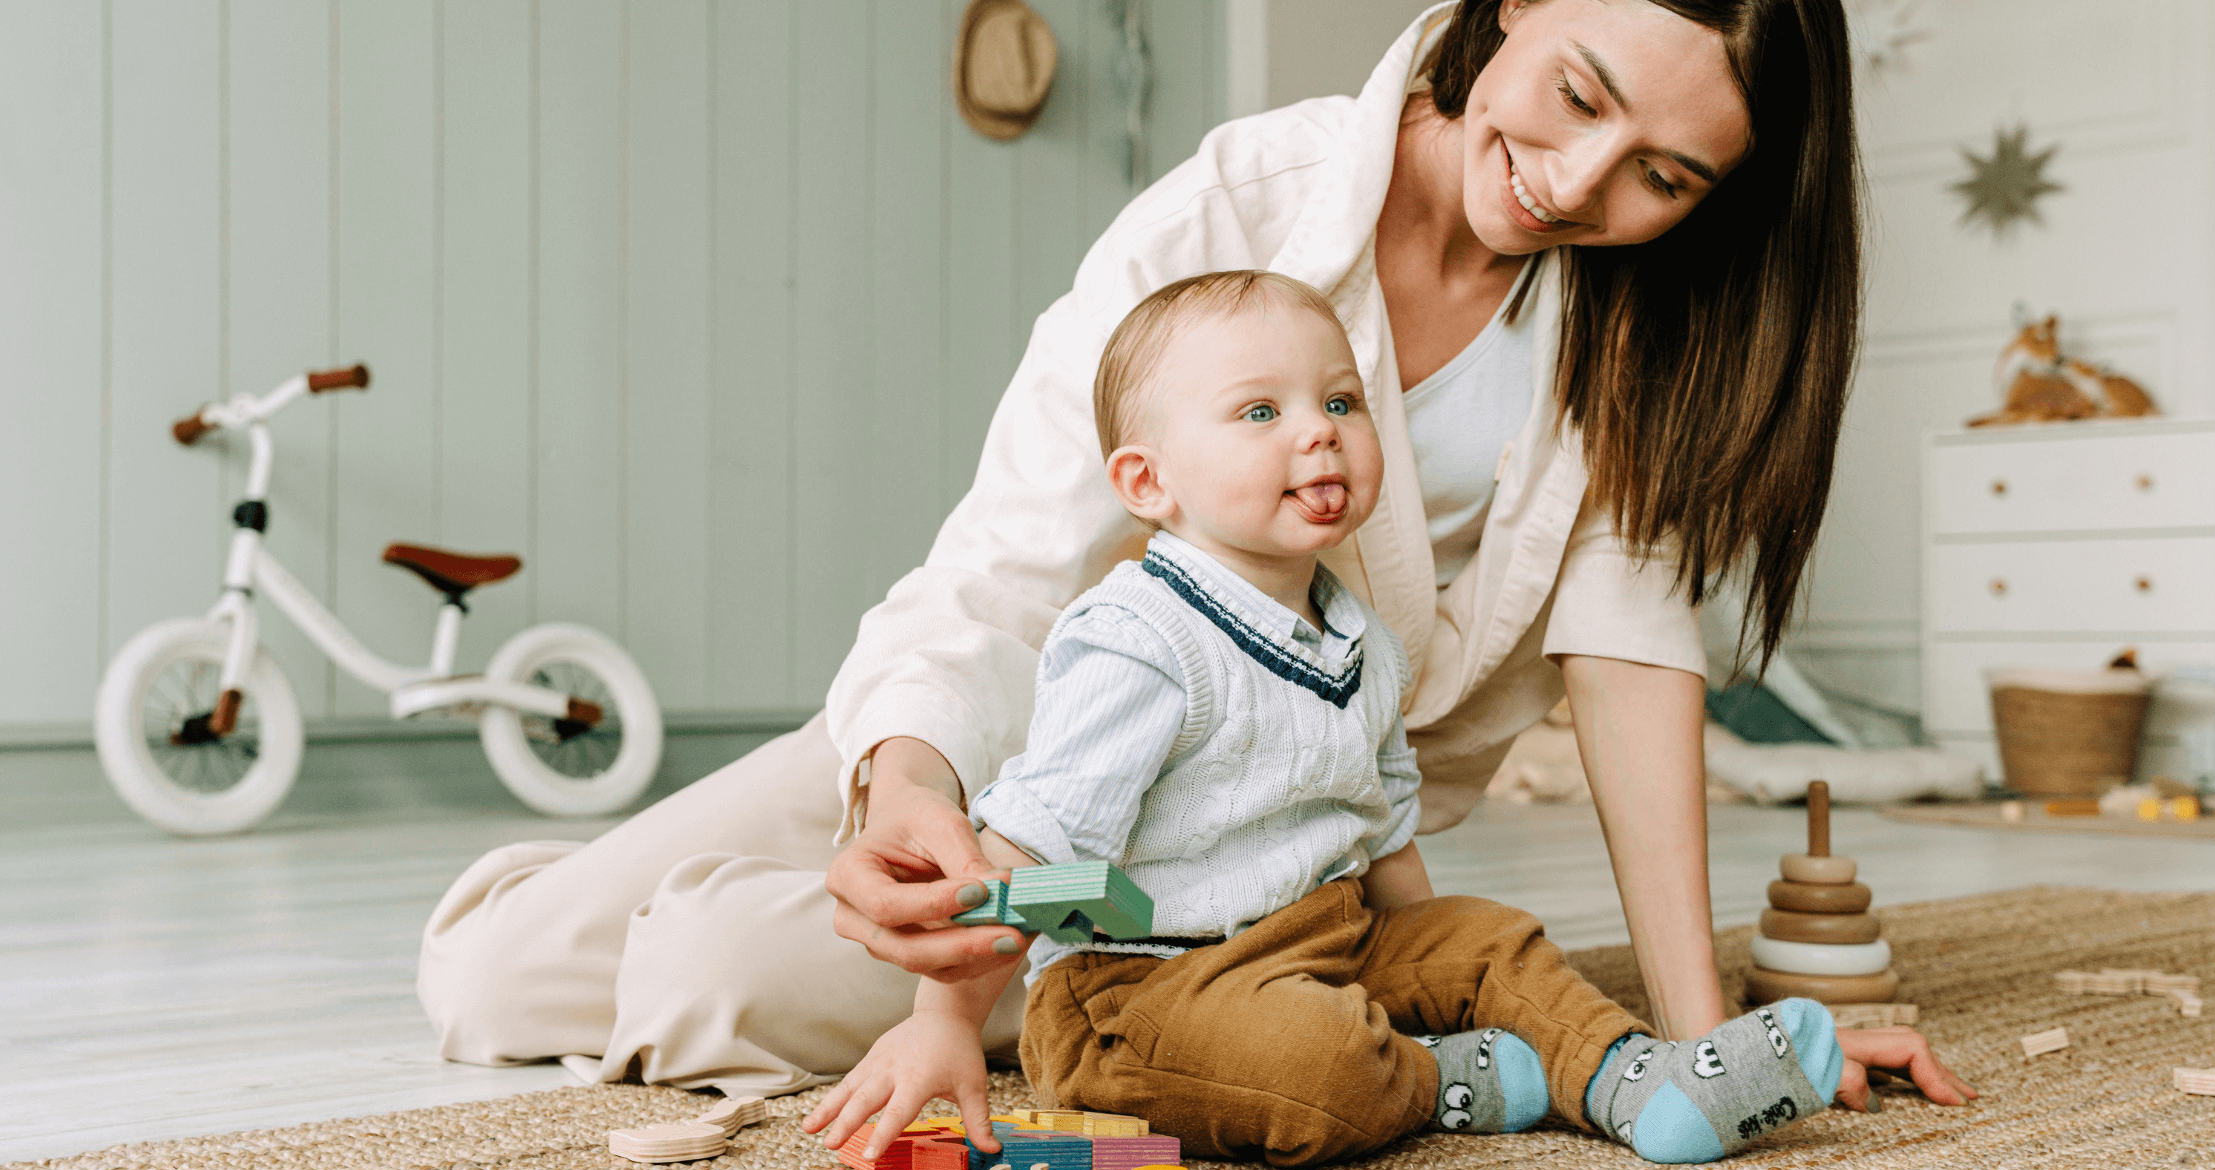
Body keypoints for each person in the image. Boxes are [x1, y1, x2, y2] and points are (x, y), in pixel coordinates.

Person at [418, 0, 1972, 1111]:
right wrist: (904, 788)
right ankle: (761, 880)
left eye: (1662, 175)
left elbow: (1634, 667)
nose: (1578, 182)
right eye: (1577, 94)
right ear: (1510, 6)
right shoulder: (1247, 205)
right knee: (488, 978)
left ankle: (1163, 997)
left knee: (702, 972)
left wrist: (1702, 1038)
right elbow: (1008, 569)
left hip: (1247, 859)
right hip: (1037, 733)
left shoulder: (1638, 341)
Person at [804, 269, 1848, 1169]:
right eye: (1259, 413)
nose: (1319, 431)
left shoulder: (1360, 636)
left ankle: (1640, 1084)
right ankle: (1431, 1080)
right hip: (1139, 994)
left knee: (1493, 940)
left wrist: (1437, 969)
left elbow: (1380, 826)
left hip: (1320, 938)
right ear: (1146, 481)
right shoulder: (1138, 639)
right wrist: (940, 1022)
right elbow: (1033, 854)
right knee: (1320, 1061)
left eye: (1342, 402)